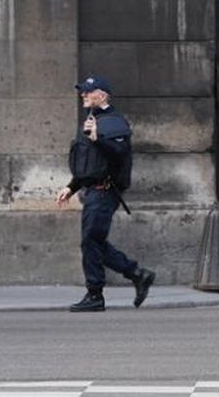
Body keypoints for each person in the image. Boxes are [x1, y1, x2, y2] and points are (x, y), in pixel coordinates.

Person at [56, 76, 155, 312]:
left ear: (101, 95)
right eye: (83, 92)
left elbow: (119, 153)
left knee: (91, 241)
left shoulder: (113, 121)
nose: (83, 95)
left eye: (88, 92)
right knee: (94, 241)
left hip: (105, 191)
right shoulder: (92, 120)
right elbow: (89, 163)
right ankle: (136, 274)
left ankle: (96, 294)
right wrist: (71, 187)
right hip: (93, 191)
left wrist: (97, 139)